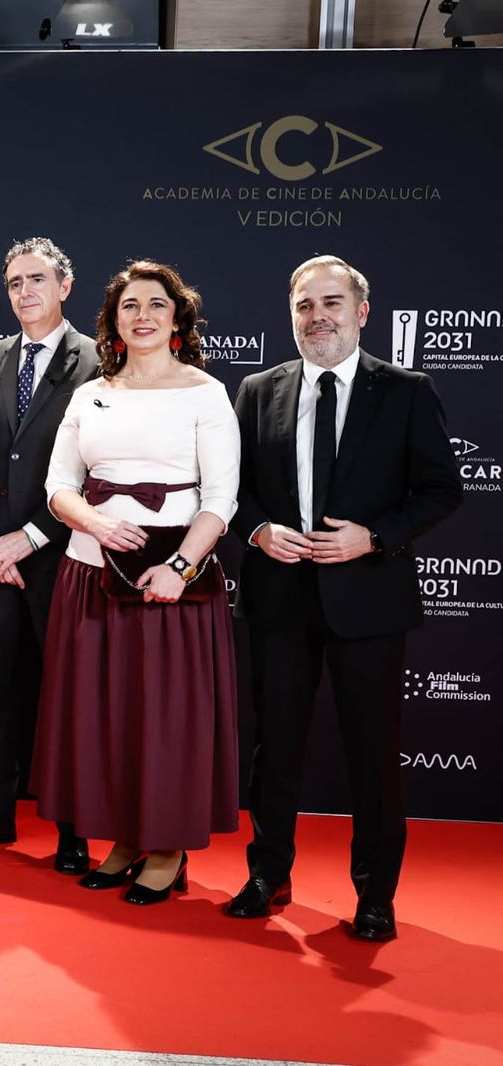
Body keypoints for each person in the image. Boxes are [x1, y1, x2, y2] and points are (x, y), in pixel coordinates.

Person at [224, 255, 461, 941]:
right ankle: (268, 873)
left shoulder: (407, 390)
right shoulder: (257, 390)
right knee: (275, 748)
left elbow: (443, 490)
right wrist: (260, 531)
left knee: (373, 754)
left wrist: (374, 538)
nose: (317, 316)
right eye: (304, 305)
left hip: (369, 600)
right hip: (278, 598)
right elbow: (230, 494)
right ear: (290, 313)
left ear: (362, 312)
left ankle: (375, 894)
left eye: (332, 303)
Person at [31, 260, 240, 905]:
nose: (142, 315)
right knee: (106, 716)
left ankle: (168, 847)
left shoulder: (205, 393)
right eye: (129, 307)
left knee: (164, 720)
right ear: (114, 322)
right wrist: (92, 520)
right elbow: (57, 485)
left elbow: (222, 498)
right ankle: (124, 837)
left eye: (155, 304)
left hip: (171, 585)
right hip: (88, 574)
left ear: (177, 318)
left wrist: (179, 569)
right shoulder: (90, 393)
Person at [0, 237, 98, 873]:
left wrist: (32, 536)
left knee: (65, 696)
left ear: (65, 285)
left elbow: (100, 470)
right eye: (14, 283)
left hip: (63, 554)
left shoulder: (100, 361)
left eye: (37, 279)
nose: (25, 292)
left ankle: (73, 829)